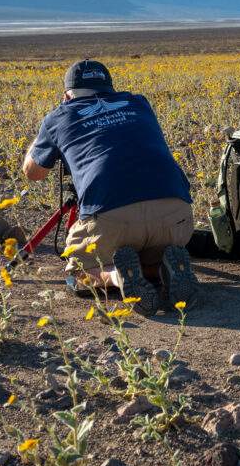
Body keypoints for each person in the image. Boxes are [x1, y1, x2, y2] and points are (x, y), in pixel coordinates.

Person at [22, 59, 197, 314]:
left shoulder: (59, 117)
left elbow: (33, 173)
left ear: (67, 95)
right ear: (110, 88)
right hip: (175, 214)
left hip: (111, 215)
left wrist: (42, 139)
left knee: (78, 274)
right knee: (146, 251)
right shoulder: (139, 103)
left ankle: (117, 276)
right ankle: (161, 270)